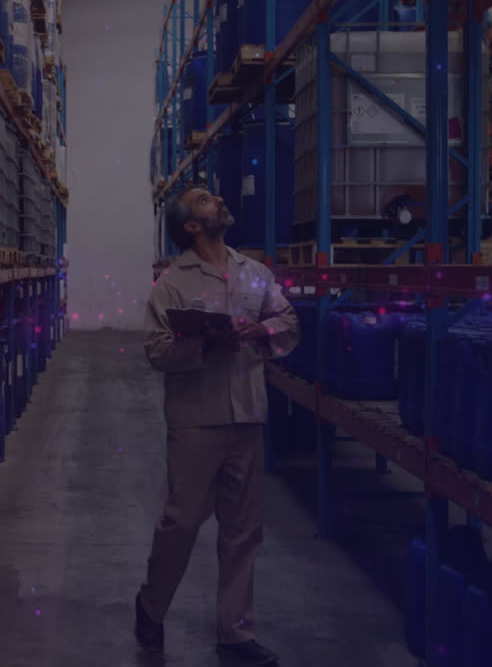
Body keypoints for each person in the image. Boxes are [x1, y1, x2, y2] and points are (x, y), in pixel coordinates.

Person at [135, 187, 299, 666]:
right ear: (191, 225)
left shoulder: (256, 274)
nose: (218, 200)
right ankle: (151, 604)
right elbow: (157, 351)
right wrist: (205, 345)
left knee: (243, 529)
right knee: (181, 521)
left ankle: (235, 633)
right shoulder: (173, 284)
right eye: (205, 199)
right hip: (195, 421)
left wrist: (262, 330)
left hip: (247, 415)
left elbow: (288, 319)